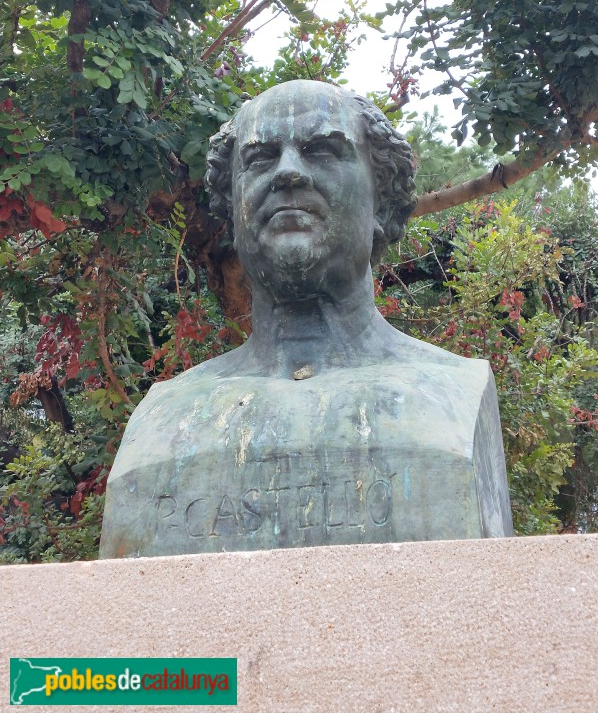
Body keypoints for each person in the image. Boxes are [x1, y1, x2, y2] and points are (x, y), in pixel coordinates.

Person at [100, 81, 512, 559]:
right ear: (232, 212)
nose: (288, 173)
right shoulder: (165, 419)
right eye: (259, 159)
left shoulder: (454, 396)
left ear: (383, 201)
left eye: (322, 151)